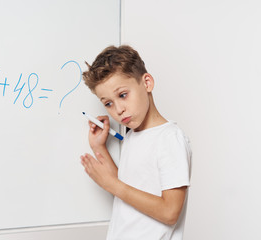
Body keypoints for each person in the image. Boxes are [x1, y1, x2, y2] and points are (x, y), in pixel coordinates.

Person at [80, 45, 192, 240]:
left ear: (147, 82)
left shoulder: (169, 138)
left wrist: (112, 185)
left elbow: (170, 212)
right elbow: (127, 186)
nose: (118, 109)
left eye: (123, 95)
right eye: (108, 103)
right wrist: (99, 147)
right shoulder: (132, 135)